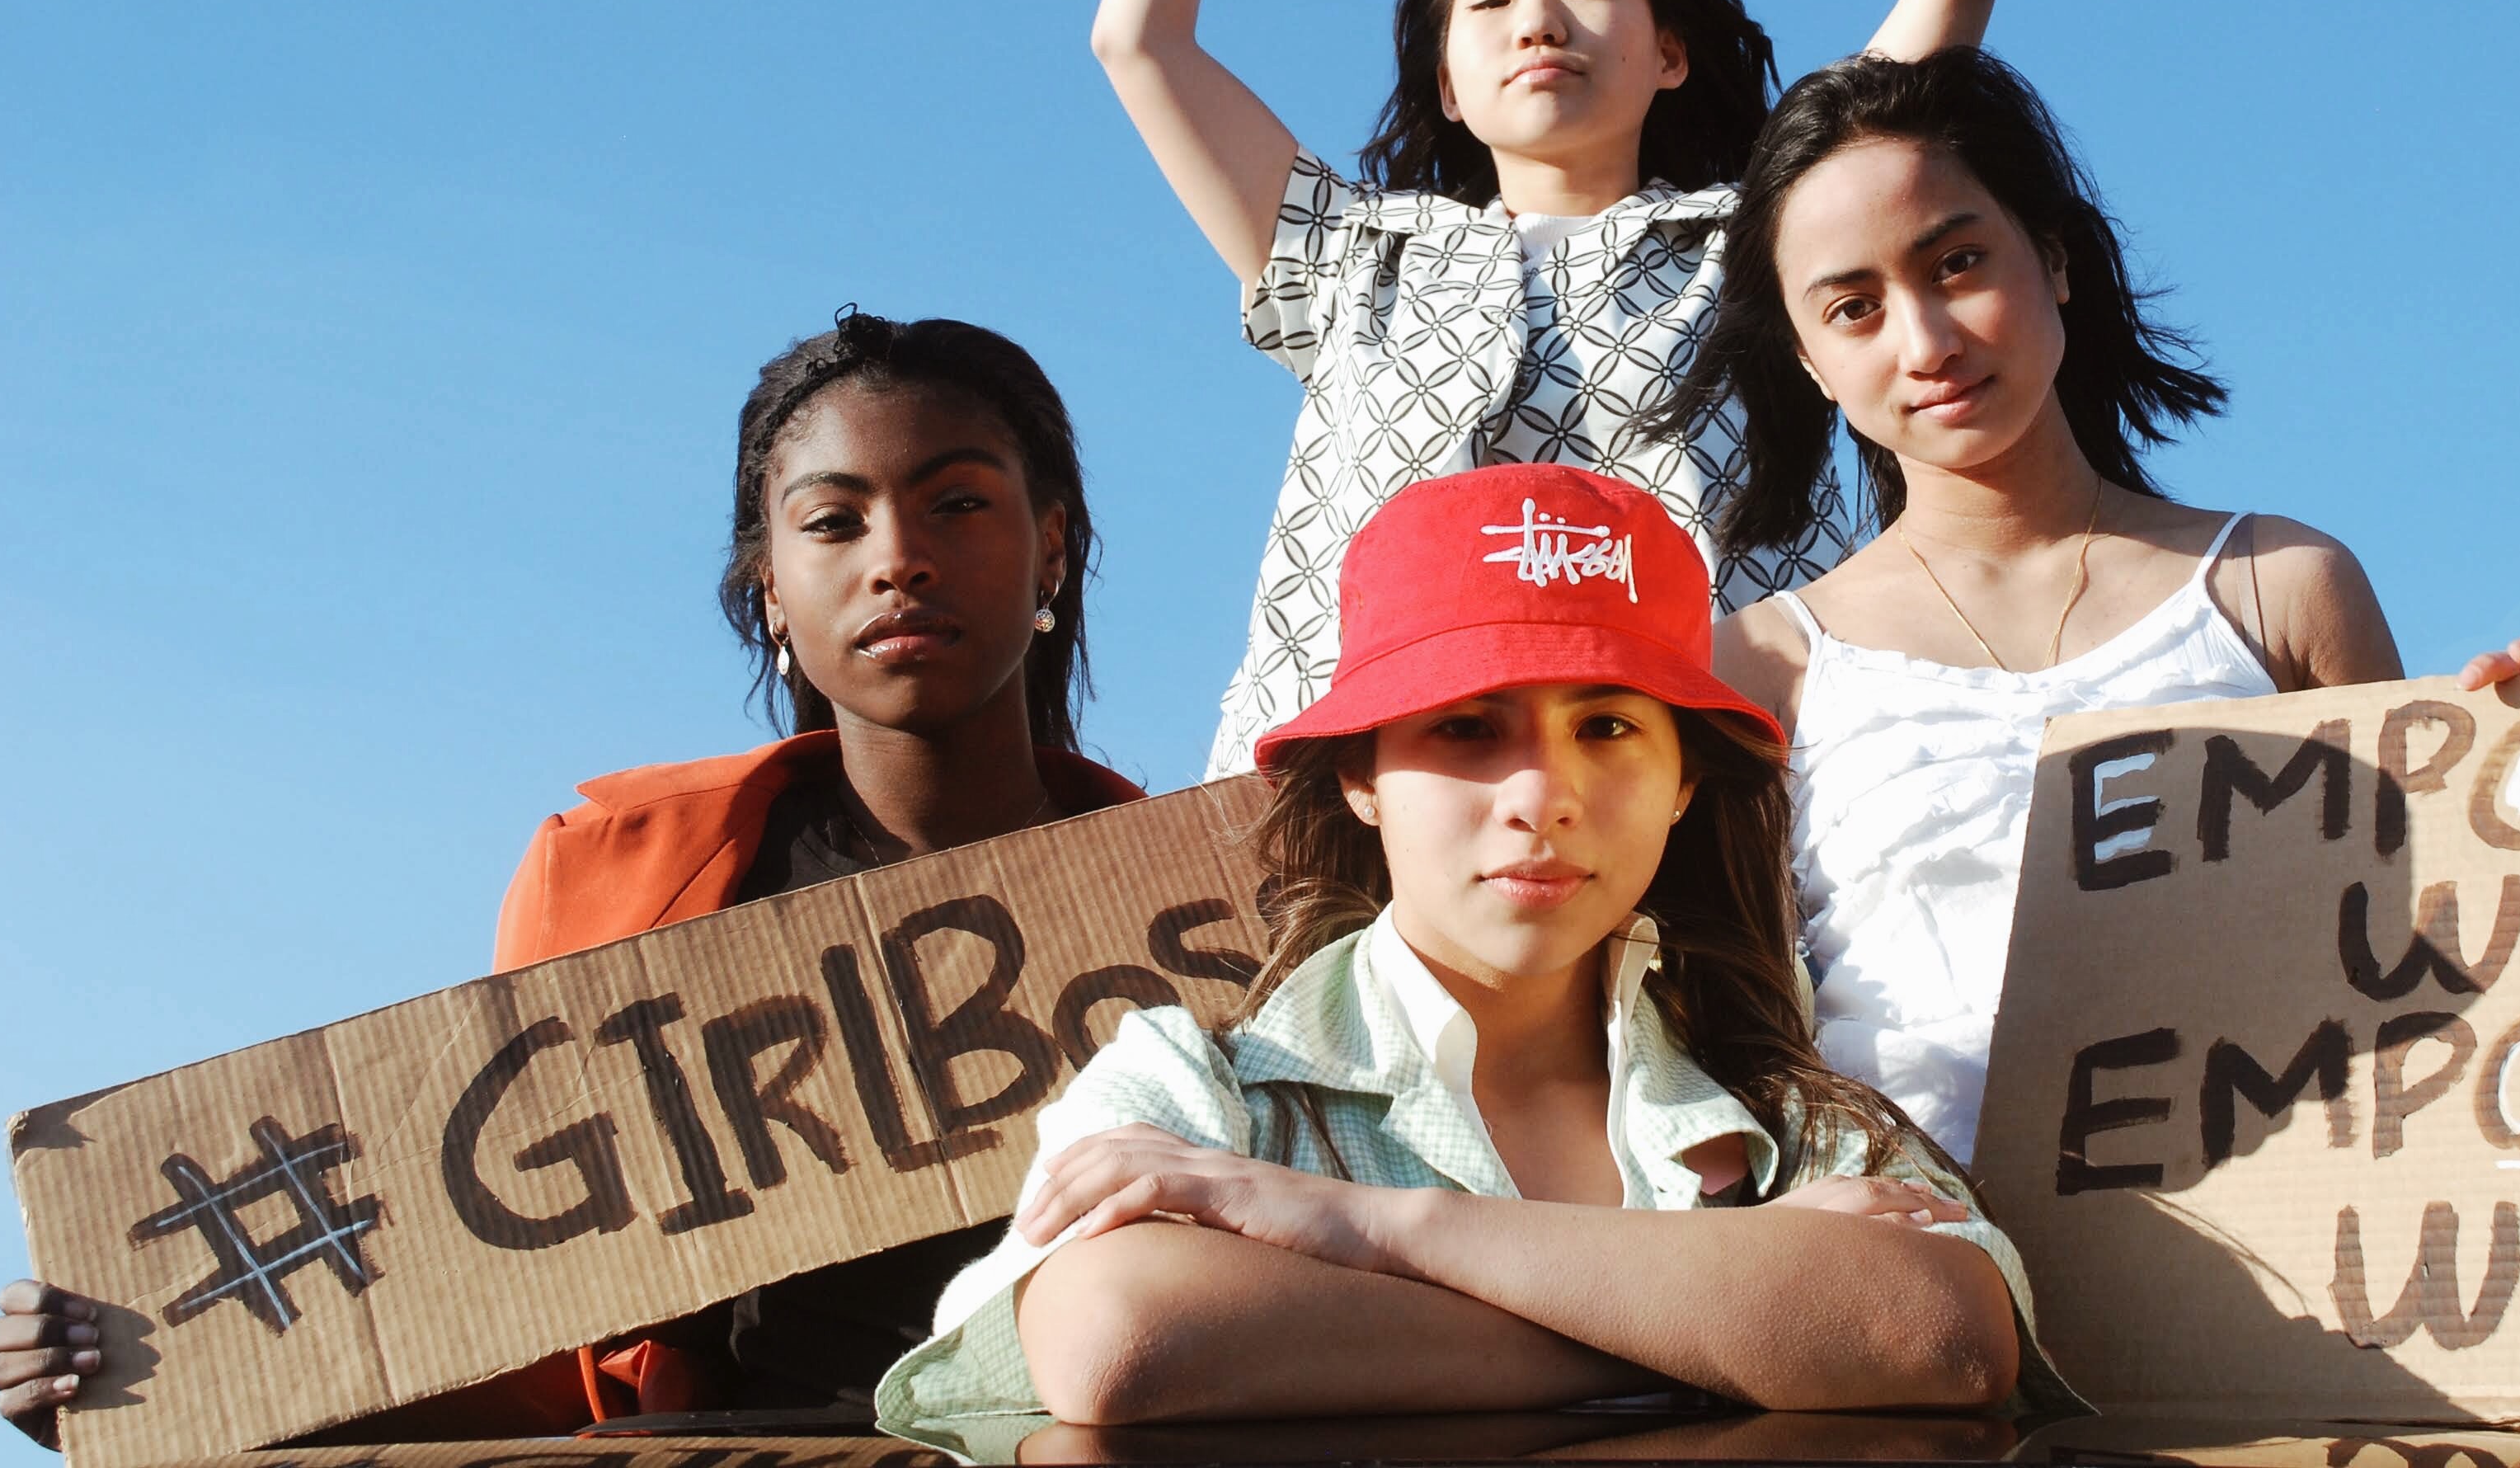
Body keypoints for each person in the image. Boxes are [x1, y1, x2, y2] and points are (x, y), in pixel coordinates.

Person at [0, 310, 1143, 1443]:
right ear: (772, 589)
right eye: (834, 522)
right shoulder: (617, 877)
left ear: (1050, 542)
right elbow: (534, 1337)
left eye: (956, 505)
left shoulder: (1208, 905)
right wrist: (158, 1374)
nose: (900, 560)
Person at [873, 464, 2071, 1456]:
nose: (1541, 798)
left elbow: (1944, 1335)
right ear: (1359, 774)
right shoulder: (1192, 1091)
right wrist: (1735, 1320)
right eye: (1466, 727)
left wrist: (1353, 1226)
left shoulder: (1781, 1111)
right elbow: (1121, 1333)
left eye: (1608, 727)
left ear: (1683, 783)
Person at [1093, 0, 1998, 779]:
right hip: (1373, 782)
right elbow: (1138, 40)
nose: (1542, 22)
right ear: (1451, 88)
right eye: (1493, 1)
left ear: (1670, 53)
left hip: (1696, 772)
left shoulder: (1763, 238)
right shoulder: (1347, 257)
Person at [1662, 51, 2520, 1162]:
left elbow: (2412, 945)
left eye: (1959, 263)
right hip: (1935, 1267)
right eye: (1855, 309)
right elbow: (1738, 1040)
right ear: (1811, 360)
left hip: (2287, 1234)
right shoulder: (1758, 665)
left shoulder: (2283, 586)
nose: (1927, 342)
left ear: (2055, 259)